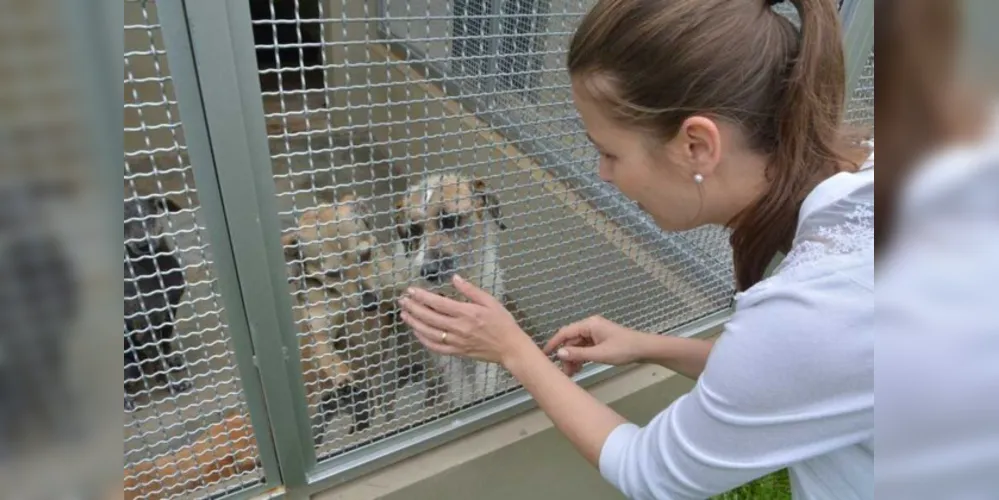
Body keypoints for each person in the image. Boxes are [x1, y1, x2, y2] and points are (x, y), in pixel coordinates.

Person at [397, 0, 874, 498]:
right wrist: (648, 346)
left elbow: (651, 473)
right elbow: (794, 369)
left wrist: (514, 350)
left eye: (609, 152)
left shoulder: (818, 304)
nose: (602, 174)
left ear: (696, 146)